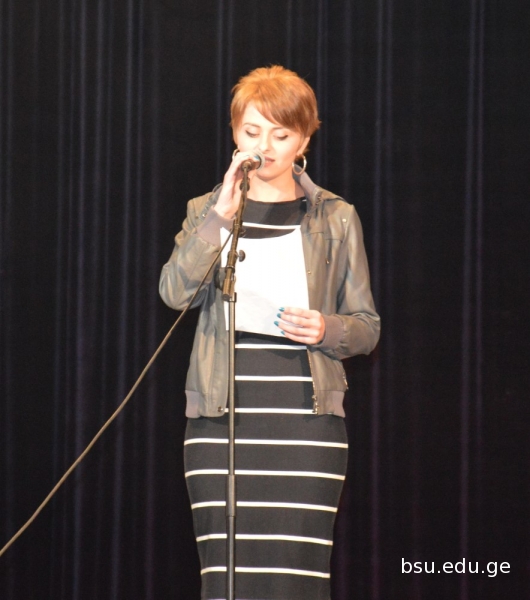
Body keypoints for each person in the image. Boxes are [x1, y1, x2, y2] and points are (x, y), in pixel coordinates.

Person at [159, 65, 380, 600]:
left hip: (305, 422)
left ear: (304, 139)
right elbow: (175, 292)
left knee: (295, 575)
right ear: (235, 134)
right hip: (221, 418)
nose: (265, 146)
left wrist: (327, 327)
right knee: (226, 576)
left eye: (281, 134)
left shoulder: (335, 217)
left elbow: (367, 327)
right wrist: (219, 218)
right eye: (252, 131)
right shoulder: (205, 209)